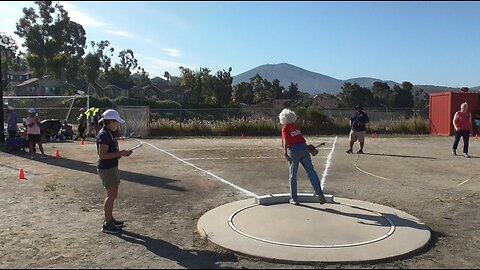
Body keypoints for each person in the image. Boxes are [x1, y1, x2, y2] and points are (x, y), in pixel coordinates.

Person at [279, 108, 327, 205]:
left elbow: (286, 141)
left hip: (294, 150)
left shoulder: (285, 129)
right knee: (311, 172)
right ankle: (320, 194)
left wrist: (285, 153)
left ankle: (294, 198)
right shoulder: (296, 127)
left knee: (293, 175)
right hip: (304, 148)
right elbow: (300, 139)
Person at [96, 109, 133, 234]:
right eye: (116, 122)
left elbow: (109, 153)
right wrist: (121, 153)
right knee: (110, 195)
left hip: (111, 166)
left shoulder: (108, 133)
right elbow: (102, 155)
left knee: (113, 194)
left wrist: (120, 154)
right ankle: (107, 223)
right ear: (110, 121)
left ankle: (110, 219)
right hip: (107, 168)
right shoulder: (104, 135)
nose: (117, 125)